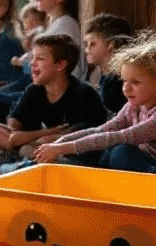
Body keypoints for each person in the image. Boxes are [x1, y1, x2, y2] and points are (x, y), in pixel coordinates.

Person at [0, 35, 107, 171]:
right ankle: (20, 157)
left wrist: (37, 137)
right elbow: (13, 127)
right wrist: (44, 132)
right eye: (33, 58)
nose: (32, 63)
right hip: (35, 141)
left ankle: (14, 157)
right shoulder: (35, 90)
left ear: (61, 65)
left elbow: (81, 135)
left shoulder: (83, 93)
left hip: (70, 151)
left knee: (36, 145)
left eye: (40, 59)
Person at [35, 33, 156, 173]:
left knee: (120, 151)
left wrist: (62, 148)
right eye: (124, 81)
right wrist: (59, 143)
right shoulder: (133, 107)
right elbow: (103, 130)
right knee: (103, 147)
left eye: (135, 82)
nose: (126, 88)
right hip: (141, 159)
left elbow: (123, 136)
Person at [83, 14, 135, 114]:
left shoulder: (119, 82)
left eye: (92, 44)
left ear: (111, 45)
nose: (87, 50)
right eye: (86, 44)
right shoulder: (104, 77)